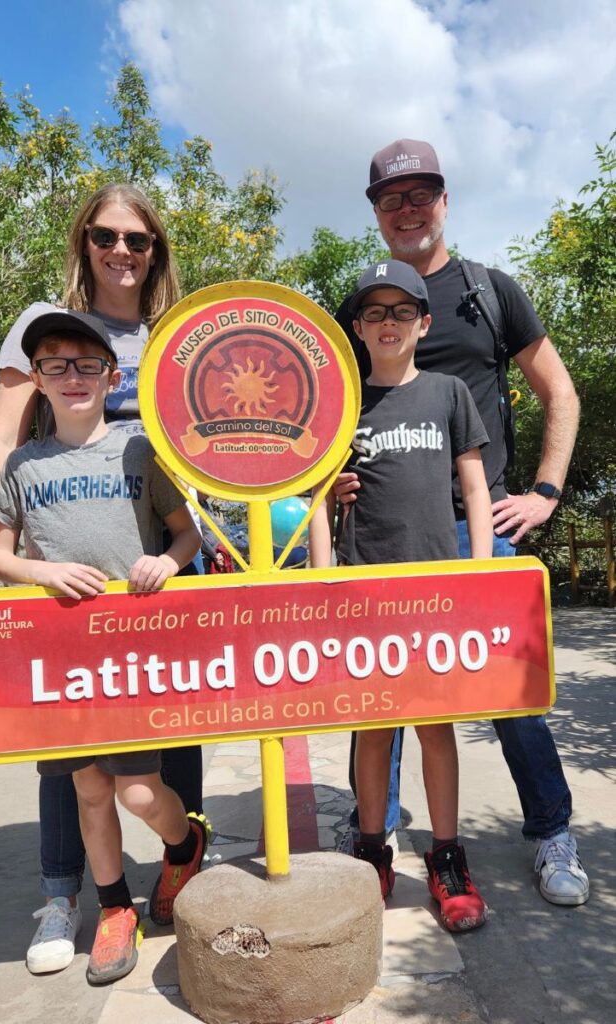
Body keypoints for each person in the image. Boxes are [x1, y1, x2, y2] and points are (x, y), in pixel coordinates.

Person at [0, 183, 206, 972]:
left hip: (146, 550)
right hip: (57, 567)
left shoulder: (169, 334)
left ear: (155, 249)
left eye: (137, 238)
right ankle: (73, 896)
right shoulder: (39, 325)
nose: (120, 251)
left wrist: (188, 540)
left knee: (154, 758)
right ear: (82, 241)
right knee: (71, 761)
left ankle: (180, 862)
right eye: (104, 235)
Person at [334, 139, 588, 906]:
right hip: (379, 535)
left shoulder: (488, 290)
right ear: (375, 213)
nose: (407, 209)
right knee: (374, 699)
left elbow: (561, 395)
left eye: (421, 194)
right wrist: (335, 482)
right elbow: (330, 424)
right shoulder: (358, 308)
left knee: (510, 697)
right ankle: (371, 832)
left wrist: (544, 491)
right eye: (391, 198)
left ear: (443, 202)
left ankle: (549, 832)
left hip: (476, 531)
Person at [0, 309, 205, 984]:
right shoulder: (23, 464)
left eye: (86, 365)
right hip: (64, 659)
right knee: (88, 794)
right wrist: (42, 570)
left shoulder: (139, 449)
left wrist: (167, 562)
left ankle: (185, 841)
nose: (72, 376)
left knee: (140, 793)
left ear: (111, 376)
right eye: (55, 365)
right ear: (39, 381)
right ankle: (114, 908)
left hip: (135, 653)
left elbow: (185, 535)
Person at [311, 259, 491, 931]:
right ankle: (370, 850)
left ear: (424, 322)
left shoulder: (448, 393)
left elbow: (472, 487)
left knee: (434, 728)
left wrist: (478, 575)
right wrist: (325, 579)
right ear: (356, 328)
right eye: (374, 314)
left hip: (437, 594)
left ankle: (447, 856)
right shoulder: (342, 404)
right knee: (373, 728)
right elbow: (318, 501)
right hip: (362, 593)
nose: (388, 324)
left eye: (400, 312)